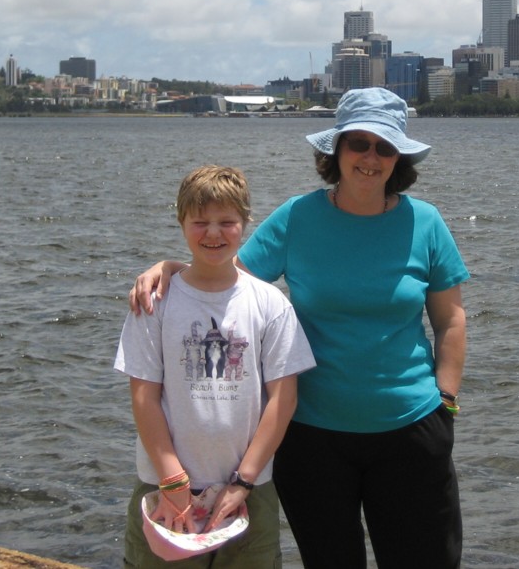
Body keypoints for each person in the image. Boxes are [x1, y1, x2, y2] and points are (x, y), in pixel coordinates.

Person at [131, 89, 469, 568]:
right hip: (312, 438)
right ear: (337, 150)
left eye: (385, 147)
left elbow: (450, 319)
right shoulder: (298, 216)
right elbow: (223, 277)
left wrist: (446, 401)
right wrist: (171, 268)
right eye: (359, 143)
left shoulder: (426, 222)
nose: (370, 158)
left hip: (412, 429)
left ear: (399, 158)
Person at [116, 164, 315, 567]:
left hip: (249, 489)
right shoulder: (155, 303)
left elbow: (283, 399)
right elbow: (144, 397)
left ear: (245, 222)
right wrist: (172, 479)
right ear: (181, 222)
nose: (213, 233)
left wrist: (244, 480)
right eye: (199, 222)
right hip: (164, 486)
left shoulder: (270, 303)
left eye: (226, 222)